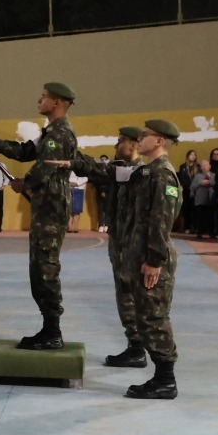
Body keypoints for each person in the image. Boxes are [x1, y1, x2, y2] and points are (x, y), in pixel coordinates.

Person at [0, 81, 78, 349]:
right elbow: (24, 152)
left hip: (52, 208)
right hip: (44, 207)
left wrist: (24, 183)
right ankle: (48, 327)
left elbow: (45, 167)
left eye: (43, 97)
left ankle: (53, 332)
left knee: (46, 268)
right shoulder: (49, 132)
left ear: (56, 103)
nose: (38, 101)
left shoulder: (60, 133)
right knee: (38, 268)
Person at [69, 125, 147, 367]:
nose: (116, 145)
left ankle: (153, 353)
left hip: (137, 246)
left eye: (120, 141)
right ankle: (135, 347)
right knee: (123, 294)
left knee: (141, 298)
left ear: (133, 145)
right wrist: (70, 156)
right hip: (120, 243)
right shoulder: (118, 169)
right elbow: (93, 167)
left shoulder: (146, 172)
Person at [118, 120, 185, 399]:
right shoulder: (147, 172)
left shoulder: (163, 175)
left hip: (153, 258)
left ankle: (165, 380)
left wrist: (155, 260)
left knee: (154, 316)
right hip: (141, 254)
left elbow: (161, 220)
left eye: (145, 136)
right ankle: (161, 377)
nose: (140, 139)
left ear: (159, 141)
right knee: (146, 316)